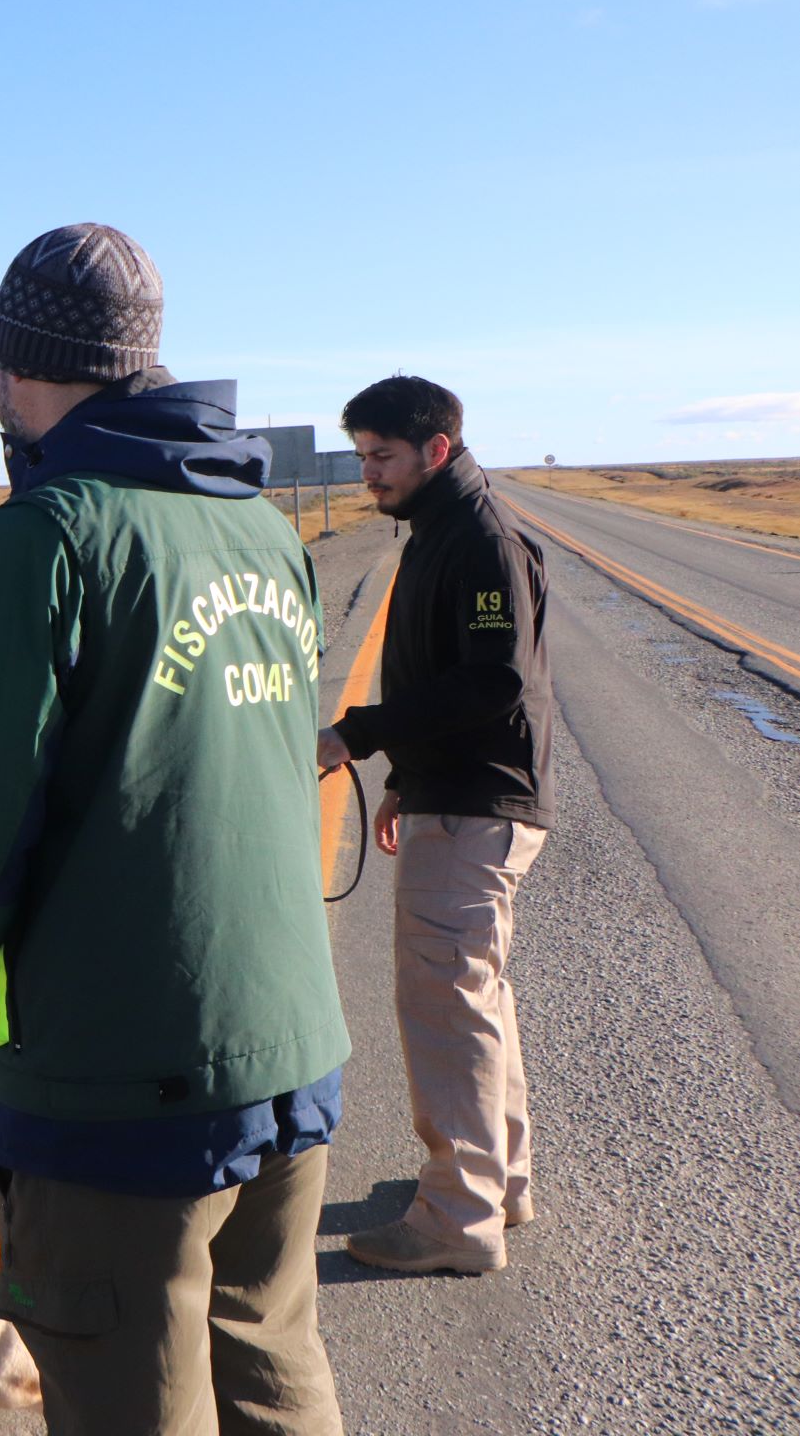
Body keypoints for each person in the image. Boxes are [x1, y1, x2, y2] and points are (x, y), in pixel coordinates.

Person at [0, 223, 349, 1434]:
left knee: (125, 1394)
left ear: (7, 364)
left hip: (117, 1086)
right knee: (269, 1361)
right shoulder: (262, 534)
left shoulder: (34, 545)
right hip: (287, 1048)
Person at [318, 375, 553, 1277]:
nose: (367, 473)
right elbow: (447, 679)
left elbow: (493, 683)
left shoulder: (480, 541)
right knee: (476, 998)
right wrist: (402, 780)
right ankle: (501, 1182)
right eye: (362, 456)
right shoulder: (436, 530)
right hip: (449, 793)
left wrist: (360, 734)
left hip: (476, 807)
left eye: (380, 456)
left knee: (446, 1007)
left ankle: (456, 1218)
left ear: (435, 451)